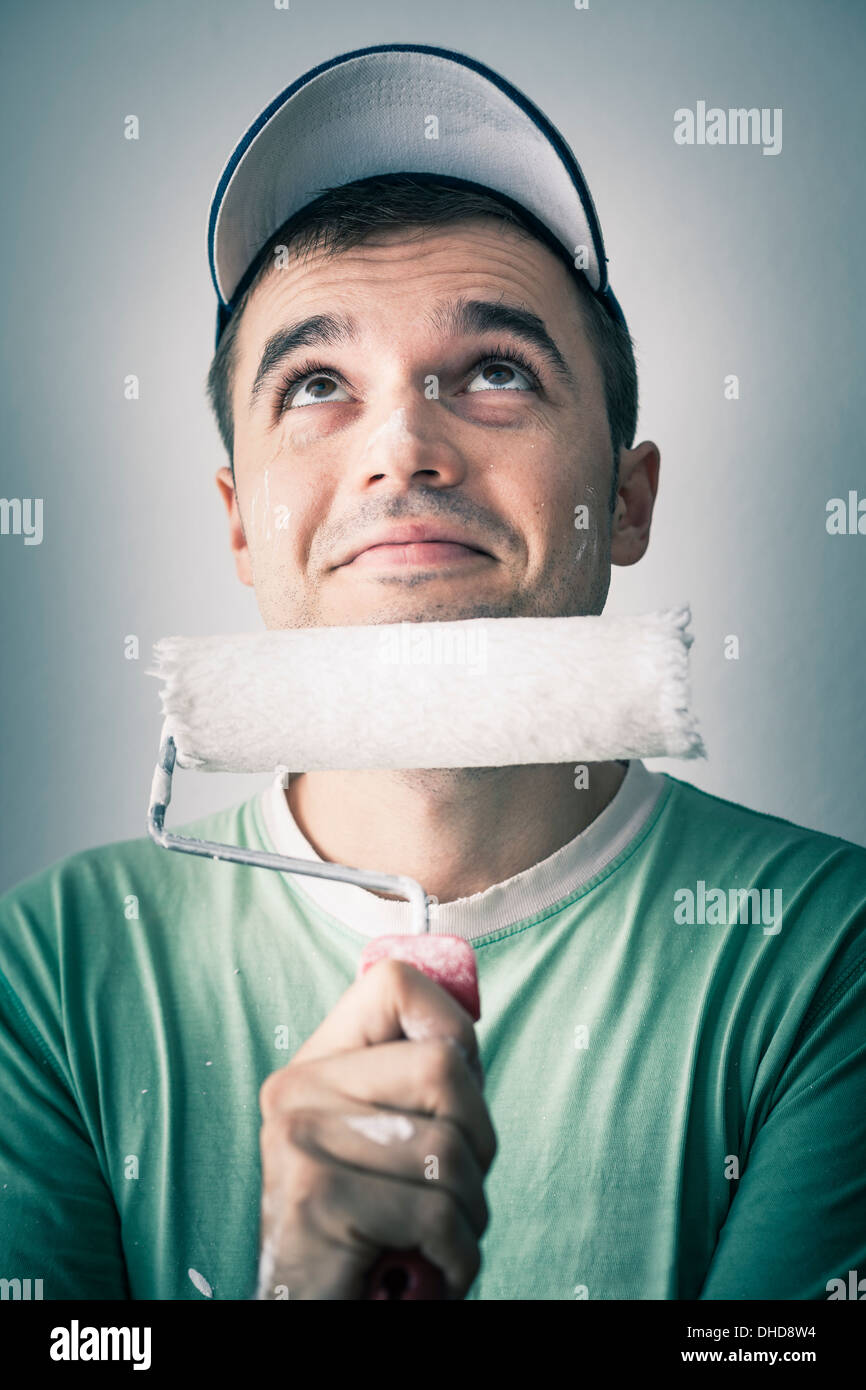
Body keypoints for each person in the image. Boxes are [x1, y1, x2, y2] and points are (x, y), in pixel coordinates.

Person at [1, 44, 863, 1302]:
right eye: (315, 385)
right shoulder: (50, 970)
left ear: (625, 502)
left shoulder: (826, 950)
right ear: (240, 521)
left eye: (496, 371)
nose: (401, 447)